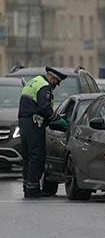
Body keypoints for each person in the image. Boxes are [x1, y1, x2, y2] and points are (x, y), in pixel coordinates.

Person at [18, 67, 68, 198]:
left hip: (24, 122)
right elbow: (45, 108)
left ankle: (27, 187)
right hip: (34, 123)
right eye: (56, 82)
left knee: (28, 156)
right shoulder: (44, 87)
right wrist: (58, 119)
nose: (55, 86)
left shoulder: (34, 81)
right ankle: (33, 189)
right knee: (37, 155)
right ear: (51, 78)